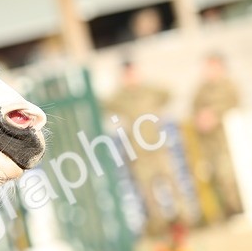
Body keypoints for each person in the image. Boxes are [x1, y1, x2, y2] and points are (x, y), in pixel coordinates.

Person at [104, 59, 193, 235]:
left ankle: (185, 220)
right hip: (139, 154)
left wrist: (143, 83)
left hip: (159, 149)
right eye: (127, 75)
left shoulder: (150, 91)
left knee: (173, 185)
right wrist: (123, 87)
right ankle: (159, 226)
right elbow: (106, 104)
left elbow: (168, 93)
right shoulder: (122, 98)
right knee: (149, 194)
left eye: (133, 73)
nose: (131, 78)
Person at [191, 52, 243, 218]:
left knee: (231, 175)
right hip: (210, 144)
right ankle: (230, 210)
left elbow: (234, 105)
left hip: (229, 140)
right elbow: (194, 110)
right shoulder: (201, 90)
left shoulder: (229, 86)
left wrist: (215, 116)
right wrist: (201, 119)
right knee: (217, 177)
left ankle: (239, 208)